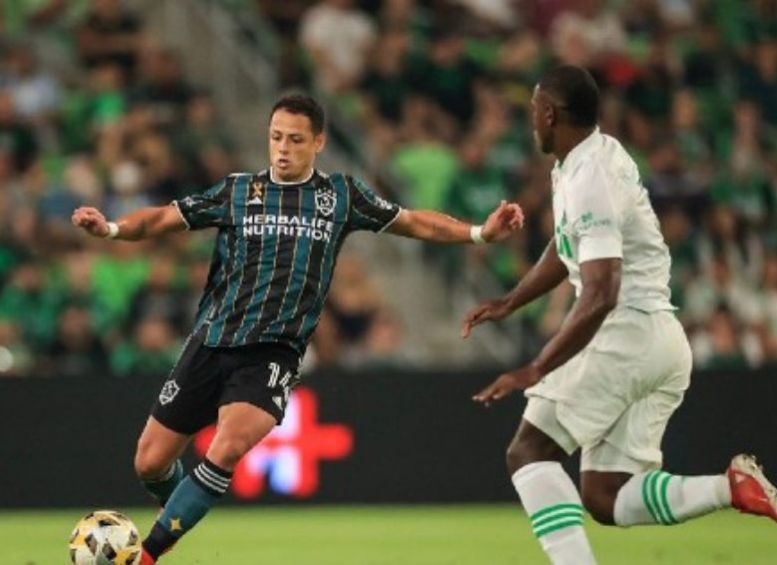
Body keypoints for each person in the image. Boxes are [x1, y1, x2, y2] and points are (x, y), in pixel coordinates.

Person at [73, 93, 525, 563]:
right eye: (275, 138)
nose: (282, 149)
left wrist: (478, 233)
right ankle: (180, 507)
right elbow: (164, 217)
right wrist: (111, 229)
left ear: (319, 142)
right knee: (149, 462)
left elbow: (412, 222)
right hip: (210, 341)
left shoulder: (342, 196)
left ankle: (148, 555)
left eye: (294, 139)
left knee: (226, 447)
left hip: (273, 353)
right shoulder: (238, 191)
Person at [462, 65, 777, 565]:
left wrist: (536, 367)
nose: (531, 123)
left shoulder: (591, 177)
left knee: (528, 452)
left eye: (532, 112)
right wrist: (511, 301)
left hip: (624, 332)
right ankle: (731, 488)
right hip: (660, 338)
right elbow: (567, 245)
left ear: (548, 113)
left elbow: (602, 291)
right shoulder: (587, 159)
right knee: (605, 496)